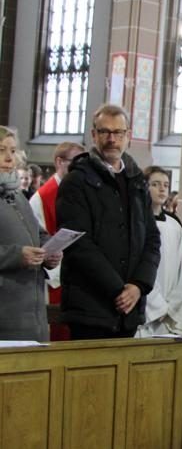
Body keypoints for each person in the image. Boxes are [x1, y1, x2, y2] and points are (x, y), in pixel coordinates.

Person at [56, 104, 160, 340]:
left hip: (129, 309)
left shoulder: (137, 181)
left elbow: (152, 238)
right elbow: (78, 243)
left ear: (128, 136)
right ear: (94, 135)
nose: (112, 139)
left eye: (118, 132)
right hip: (90, 307)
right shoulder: (76, 181)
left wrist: (138, 285)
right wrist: (119, 290)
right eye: (105, 132)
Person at [0, 126, 61, 341]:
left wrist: (50, 250)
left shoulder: (17, 195)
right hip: (6, 315)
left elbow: (37, 232)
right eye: (1, 150)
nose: (9, 158)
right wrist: (17, 256)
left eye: (12, 150)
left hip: (32, 312)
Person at [28, 141, 85, 341]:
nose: (80, 169)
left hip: (79, 276)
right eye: (75, 163)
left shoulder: (79, 191)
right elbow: (35, 239)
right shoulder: (41, 198)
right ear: (60, 162)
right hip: (55, 277)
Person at [136, 167, 182, 337]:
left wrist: (172, 307)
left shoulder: (174, 226)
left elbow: (181, 271)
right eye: (155, 184)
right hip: (146, 308)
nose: (162, 189)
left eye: (166, 185)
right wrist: (157, 306)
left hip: (168, 313)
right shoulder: (136, 224)